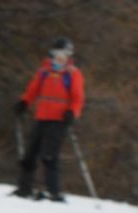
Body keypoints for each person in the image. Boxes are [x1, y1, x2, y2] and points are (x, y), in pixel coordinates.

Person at [12, 37, 85, 202]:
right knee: (30, 154)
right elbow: (32, 90)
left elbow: (78, 98)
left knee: (49, 155)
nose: (59, 58)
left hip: (59, 120)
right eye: (57, 53)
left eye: (63, 54)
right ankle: (24, 188)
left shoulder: (72, 74)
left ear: (68, 56)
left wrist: (72, 112)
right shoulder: (44, 72)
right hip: (42, 117)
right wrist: (24, 102)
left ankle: (53, 191)